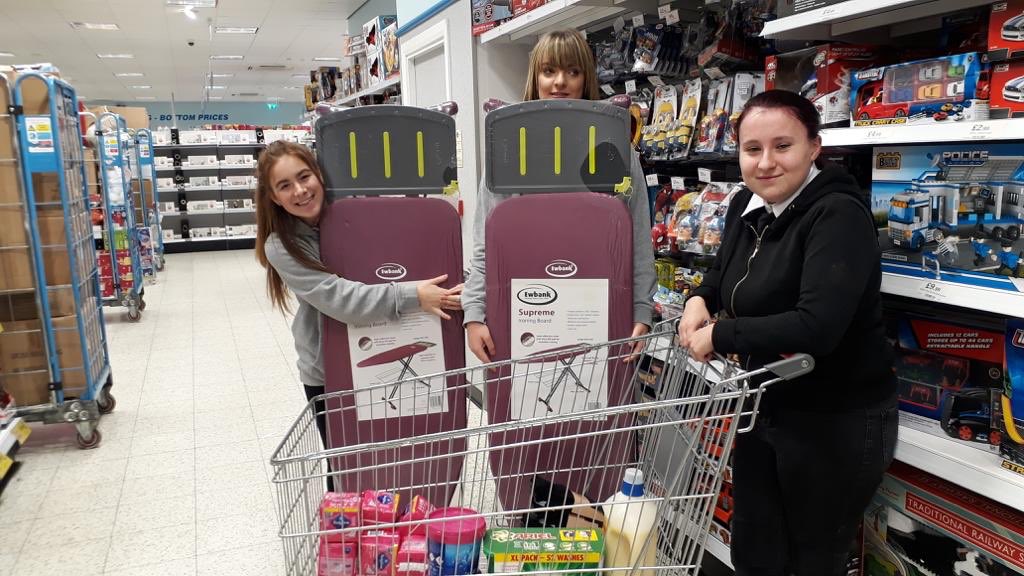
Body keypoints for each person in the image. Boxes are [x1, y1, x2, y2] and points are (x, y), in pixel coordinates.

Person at [677, 90, 897, 576]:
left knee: (810, 559)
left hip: (834, 419)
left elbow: (817, 327)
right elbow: (719, 273)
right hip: (765, 405)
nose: (766, 163)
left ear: (814, 147)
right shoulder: (745, 203)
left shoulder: (837, 215)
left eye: (783, 146)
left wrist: (720, 336)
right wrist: (699, 299)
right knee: (755, 550)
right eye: (752, 149)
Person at [462, 29, 657, 363]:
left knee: (601, 408)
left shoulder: (614, 148)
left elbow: (637, 235)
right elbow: (485, 240)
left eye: (573, 71)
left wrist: (641, 311)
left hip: (599, 304)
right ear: (535, 77)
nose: (559, 82)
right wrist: (474, 313)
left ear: (586, 78)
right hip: (525, 307)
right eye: (549, 71)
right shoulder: (509, 148)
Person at [254, 141, 462, 449]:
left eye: (304, 176)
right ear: (273, 196)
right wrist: (414, 295)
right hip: (329, 371)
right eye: (285, 186)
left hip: (389, 344)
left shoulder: (355, 218)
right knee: (346, 464)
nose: (299, 191)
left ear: (319, 175)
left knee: (403, 454)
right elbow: (341, 299)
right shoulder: (281, 246)